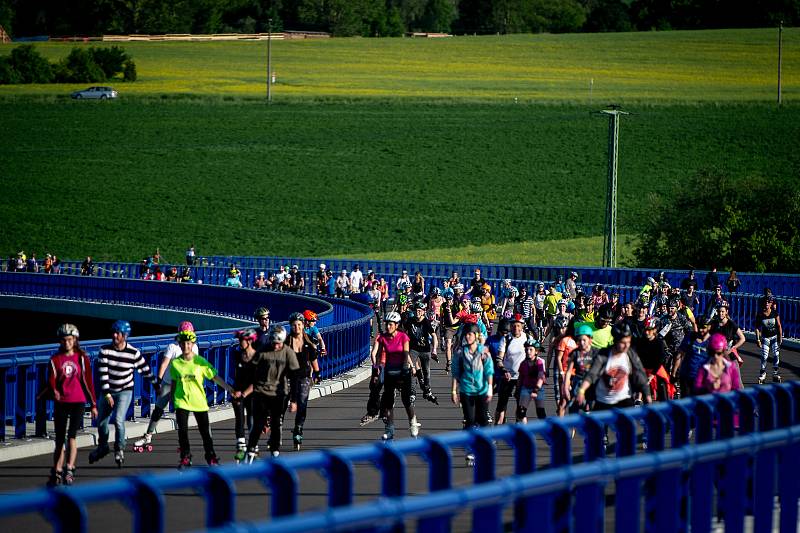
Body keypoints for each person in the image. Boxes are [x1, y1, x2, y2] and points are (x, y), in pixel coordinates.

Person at [89, 321, 158, 468]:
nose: (115, 335)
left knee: (119, 419)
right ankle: (103, 446)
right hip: (108, 391)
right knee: (101, 422)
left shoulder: (133, 353)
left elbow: (145, 370)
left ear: (125, 335)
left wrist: (156, 385)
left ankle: (119, 448)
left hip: (125, 391)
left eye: (118, 333)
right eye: (113, 332)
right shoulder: (105, 350)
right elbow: (103, 374)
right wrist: (107, 394)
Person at [170, 329, 234, 469]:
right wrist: (172, 399)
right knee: (183, 431)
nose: (186, 346)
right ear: (179, 345)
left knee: (205, 432)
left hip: (199, 401)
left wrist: (229, 388)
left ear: (192, 344)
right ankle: (185, 457)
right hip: (182, 401)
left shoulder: (200, 362)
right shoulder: (175, 364)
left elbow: (214, 377)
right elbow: (174, 383)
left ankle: (210, 456)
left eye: (188, 343)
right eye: (183, 343)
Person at [44, 324, 98, 487]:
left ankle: (69, 468)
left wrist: (93, 404)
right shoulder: (55, 359)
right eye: (64, 340)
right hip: (61, 402)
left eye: (69, 340)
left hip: (78, 401)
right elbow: (51, 380)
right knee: (59, 439)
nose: (67, 343)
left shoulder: (82, 358)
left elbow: (88, 382)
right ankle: (57, 470)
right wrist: (54, 391)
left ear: (75, 340)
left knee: (72, 437)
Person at [133, 321, 198, 452]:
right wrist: (158, 382)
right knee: (158, 409)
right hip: (168, 383)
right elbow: (164, 364)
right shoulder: (173, 347)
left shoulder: (194, 347)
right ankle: (148, 435)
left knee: (182, 413)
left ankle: (183, 442)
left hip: (183, 385)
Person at [239, 325, 300, 461]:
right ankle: (251, 451)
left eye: (278, 344)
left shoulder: (288, 353)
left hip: (279, 394)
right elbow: (250, 370)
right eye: (273, 343)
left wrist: (294, 400)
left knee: (276, 423)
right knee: (258, 424)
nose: (276, 346)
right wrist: (245, 390)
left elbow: (295, 376)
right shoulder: (263, 351)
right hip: (261, 392)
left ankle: (275, 451)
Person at [575, 323, 652, 411]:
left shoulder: (630, 355)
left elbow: (640, 376)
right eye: (623, 343)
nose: (627, 346)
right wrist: (581, 391)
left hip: (624, 400)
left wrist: (648, 397)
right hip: (603, 401)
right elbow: (592, 374)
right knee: (598, 423)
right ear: (615, 341)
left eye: (628, 342)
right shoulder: (603, 355)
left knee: (628, 423)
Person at [451, 322, 493, 466]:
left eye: (471, 334)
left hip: (481, 390)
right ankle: (470, 450)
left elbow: (489, 371)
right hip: (466, 390)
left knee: (482, 420)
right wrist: (453, 390)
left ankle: (484, 446)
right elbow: (455, 373)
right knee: (469, 420)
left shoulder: (483, 351)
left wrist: (490, 389)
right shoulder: (460, 353)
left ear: (476, 336)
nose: (468, 337)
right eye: (466, 334)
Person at [373, 312, 419, 440]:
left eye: (391, 324)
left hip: (403, 370)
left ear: (396, 325)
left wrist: (406, 369)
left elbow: (405, 353)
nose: (388, 327)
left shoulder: (403, 337)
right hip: (389, 371)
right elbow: (378, 356)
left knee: (406, 400)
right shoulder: (383, 338)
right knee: (389, 401)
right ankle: (390, 429)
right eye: (387, 324)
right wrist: (376, 370)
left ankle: (413, 422)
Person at [287, 313, 320, 451]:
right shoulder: (285, 343)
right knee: (284, 403)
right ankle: (275, 426)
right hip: (288, 378)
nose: (297, 327)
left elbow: (314, 363)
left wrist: (317, 374)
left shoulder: (308, 344)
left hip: (304, 378)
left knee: (302, 403)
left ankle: (298, 429)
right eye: (294, 325)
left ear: (303, 325)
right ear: (291, 326)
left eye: (299, 325)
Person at [493, 314, 528, 425]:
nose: (516, 328)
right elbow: (499, 359)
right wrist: (503, 370)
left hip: (522, 377)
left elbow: (533, 357)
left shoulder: (527, 338)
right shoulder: (506, 339)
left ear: (522, 326)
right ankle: (497, 429)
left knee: (521, 408)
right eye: (513, 325)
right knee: (501, 405)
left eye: (518, 326)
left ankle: (521, 433)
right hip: (507, 376)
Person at [230, 328, 258, 463]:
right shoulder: (237, 354)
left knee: (252, 420)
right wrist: (234, 391)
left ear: (250, 341)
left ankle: (253, 446)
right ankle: (241, 447)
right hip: (238, 392)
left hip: (252, 393)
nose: (240, 342)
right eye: (239, 340)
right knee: (239, 419)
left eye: (243, 340)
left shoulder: (257, 357)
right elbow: (234, 375)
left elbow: (257, 381)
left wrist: (245, 393)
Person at [404, 301, 439, 405]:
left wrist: (434, 349)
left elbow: (434, 336)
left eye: (420, 310)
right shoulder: (410, 320)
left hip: (425, 350)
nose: (417, 312)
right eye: (416, 310)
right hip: (413, 349)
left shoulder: (426, 322)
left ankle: (427, 390)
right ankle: (412, 392)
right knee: (411, 369)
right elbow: (403, 332)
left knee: (426, 371)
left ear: (423, 312)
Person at [561, 324, 598, 416]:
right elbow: (569, 371)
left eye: (584, 340)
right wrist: (565, 387)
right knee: (574, 406)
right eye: (579, 340)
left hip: (592, 382)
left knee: (593, 407)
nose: (582, 342)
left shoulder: (595, 352)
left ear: (590, 340)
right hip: (578, 381)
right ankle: (572, 428)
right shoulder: (575, 353)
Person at [673, 316, 712, 397]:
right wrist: (674, 373)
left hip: (704, 378)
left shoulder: (712, 341)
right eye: (699, 327)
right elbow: (679, 355)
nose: (701, 330)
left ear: (709, 326)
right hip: (687, 376)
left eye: (704, 327)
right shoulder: (690, 337)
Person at [548, 316, 575, 416]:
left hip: (574, 372)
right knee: (560, 398)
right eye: (559, 328)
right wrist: (547, 368)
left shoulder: (577, 339)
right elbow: (552, 354)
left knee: (572, 401)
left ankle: (570, 428)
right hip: (561, 369)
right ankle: (560, 415)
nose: (561, 330)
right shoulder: (559, 339)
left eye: (564, 327)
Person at [516, 338, 547, 422]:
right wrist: (517, 389)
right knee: (521, 412)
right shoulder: (523, 363)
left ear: (536, 351)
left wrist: (536, 389)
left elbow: (541, 376)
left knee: (540, 412)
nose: (528, 351)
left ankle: (545, 431)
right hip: (526, 388)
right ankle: (525, 431)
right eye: (526, 349)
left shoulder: (539, 362)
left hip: (538, 389)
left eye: (531, 349)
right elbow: (520, 377)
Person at [755, 298, 783, 383]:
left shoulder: (775, 313)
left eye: (768, 302)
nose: (766, 303)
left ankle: (775, 373)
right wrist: (758, 340)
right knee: (764, 355)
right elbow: (757, 328)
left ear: (771, 304)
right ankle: (763, 373)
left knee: (776, 354)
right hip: (765, 337)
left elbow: (779, 325)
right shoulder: (760, 314)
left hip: (774, 337)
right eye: (765, 302)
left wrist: (780, 337)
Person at [710, 302, 745, 368]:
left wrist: (733, 348)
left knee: (735, 377)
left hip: (729, 355)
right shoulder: (714, 323)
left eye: (723, 311)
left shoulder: (731, 324)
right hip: (716, 356)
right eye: (719, 311)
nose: (721, 313)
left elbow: (742, 338)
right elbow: (709, 337)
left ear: (726, 312)